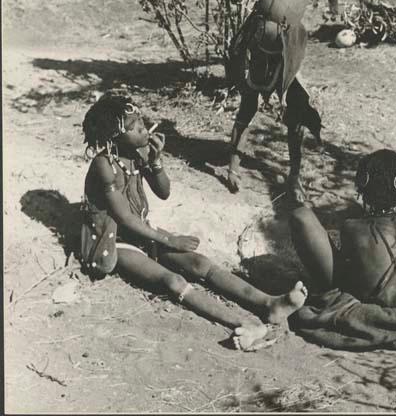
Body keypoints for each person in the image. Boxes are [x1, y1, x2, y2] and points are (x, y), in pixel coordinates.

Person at [80, 90, 307, 351]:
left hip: (141, 233)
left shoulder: (136, 154)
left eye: (143, 124)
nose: (145, 130)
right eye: (137, 127)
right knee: (172, 281)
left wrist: (156, 161)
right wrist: (169, 239)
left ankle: (269, 304)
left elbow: (163, 192)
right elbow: (124, 218)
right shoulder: (104, 165)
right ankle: (242, 323)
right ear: (114, 137)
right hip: (116, 240)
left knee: (200, 263)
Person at [218, 0, 341, 206]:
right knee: (248, 104)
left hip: (287, 51)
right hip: (257, 44)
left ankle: (294, 176)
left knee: (296, 110)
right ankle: (233, 168)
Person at [288, 148, 396, 350]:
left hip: (359, 295)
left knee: (301, 216)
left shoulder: (352, 229)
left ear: (363, 183)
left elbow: (349, 273)